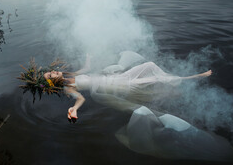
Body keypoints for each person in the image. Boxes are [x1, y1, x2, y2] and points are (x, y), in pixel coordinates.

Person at [19, 51, 211, 123]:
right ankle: (191, 78)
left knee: (149, 66)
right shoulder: (68, 88)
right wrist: (74, 110)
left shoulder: (70, 76)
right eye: (51, 75)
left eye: (51, 71)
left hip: (117, 78)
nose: (54, 71)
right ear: (53, 82)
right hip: (115, 88)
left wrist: (88, 57)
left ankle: (177, 85)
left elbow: (86, 69)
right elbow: (81, 98)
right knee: (148, 83)